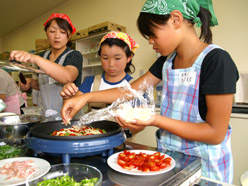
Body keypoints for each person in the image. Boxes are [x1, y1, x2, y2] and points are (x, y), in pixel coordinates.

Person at [61, 0, 239, 183]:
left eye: (152, 35)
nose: (151, 43)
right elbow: (129, 91)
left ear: (176, 19)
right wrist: (84, 98)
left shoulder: (217, 61)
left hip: (206, 170)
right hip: (172, 162)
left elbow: (215, 133)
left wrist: (154, 119)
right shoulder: (167, 61)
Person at [10, 13, 83, 117]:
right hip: (47, 114)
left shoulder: (74, 55)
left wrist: (34, 58)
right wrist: (31, 83)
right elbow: (46, 85)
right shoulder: (43, 56)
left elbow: (67, 77)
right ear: (46, 33)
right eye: (52, 31)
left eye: (62, 32)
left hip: (69, 116)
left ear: (69, 35)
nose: (57, 36)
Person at [60, 31, 139, 113]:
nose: (111, 64)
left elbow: (142, 121)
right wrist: (67, 97)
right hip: (91, 126)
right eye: (105, 58)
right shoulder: (90, 82)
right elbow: (71, 109)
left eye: (117, 58)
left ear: (129, 58)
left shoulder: (136, 86)